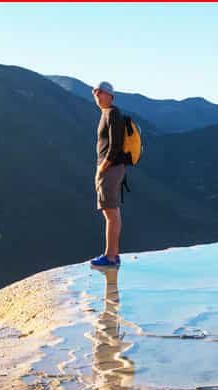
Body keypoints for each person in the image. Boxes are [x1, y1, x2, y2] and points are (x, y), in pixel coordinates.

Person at [90, 81, 126, 268]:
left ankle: (110, 256)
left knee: (110, 212)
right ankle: (113, 254)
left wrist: (103, 167)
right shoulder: (107, 113)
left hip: (110, 169)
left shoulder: (112, 113)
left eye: (101, 92)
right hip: (112, 168)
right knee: (112, 211)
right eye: (95, 91)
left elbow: (115, 145)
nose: (97, 94)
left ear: (111, 95)